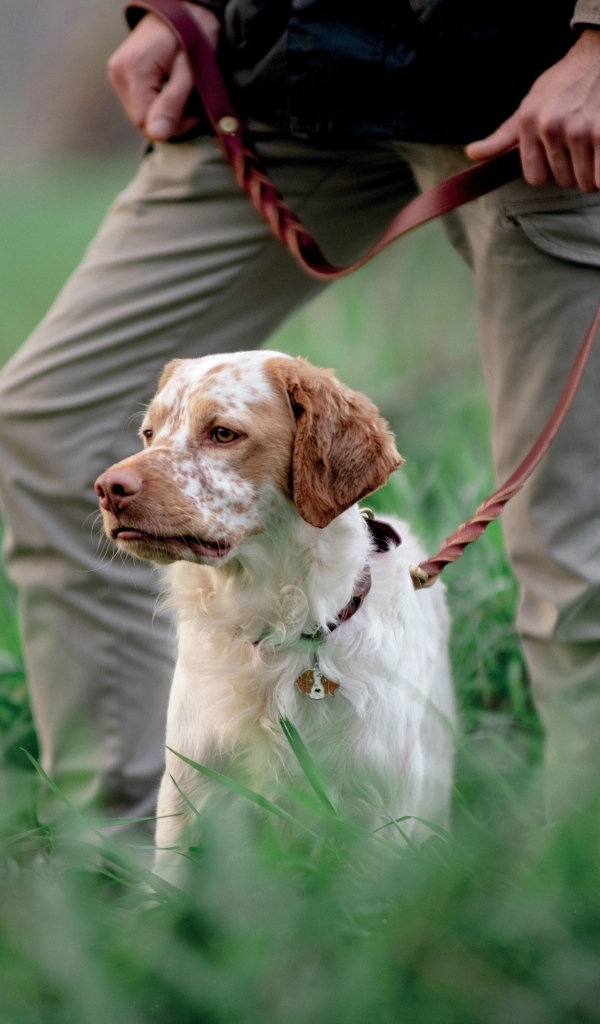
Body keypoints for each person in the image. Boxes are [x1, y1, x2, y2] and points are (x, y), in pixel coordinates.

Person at [1, 0, 600, 835]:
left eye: (221, 436)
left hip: (519, 84)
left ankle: (574, 880)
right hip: (276, 79)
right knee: (47, 419)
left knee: (577, 539)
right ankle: (118, 861)